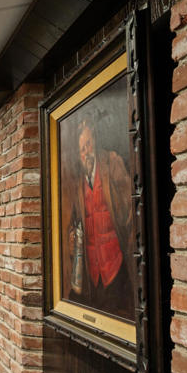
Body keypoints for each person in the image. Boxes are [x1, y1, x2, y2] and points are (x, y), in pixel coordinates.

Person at [66, 117, 134, 318]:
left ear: (94, 140)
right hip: (93, 275)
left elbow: (132, 206)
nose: (87, 152)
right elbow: (75, 222)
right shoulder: (79, 183)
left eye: (88, 144)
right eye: (82, 149)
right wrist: (72, 235)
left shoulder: (112, 162)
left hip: (116, 266)